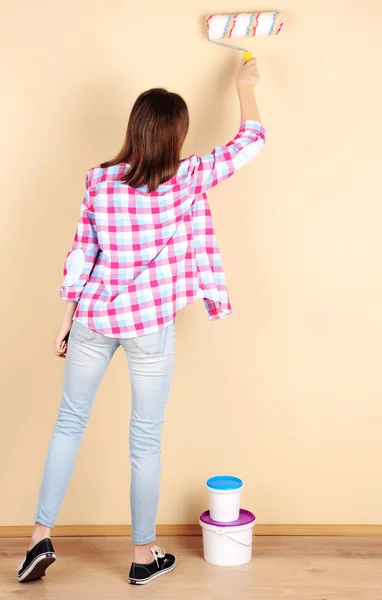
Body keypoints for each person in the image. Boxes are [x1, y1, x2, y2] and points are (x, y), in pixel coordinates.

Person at [18, 58, 265, 585]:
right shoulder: (187, 177)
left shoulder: (99, 181)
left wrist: (66, 317)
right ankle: (142, 555)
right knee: (145, 440)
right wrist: (245, 87)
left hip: (92, 318)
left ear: (133, 128)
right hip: (148, 326)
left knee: (68, 423)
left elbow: (83, 253)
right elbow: (252, 141)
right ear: (176, 135)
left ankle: (38, 536)